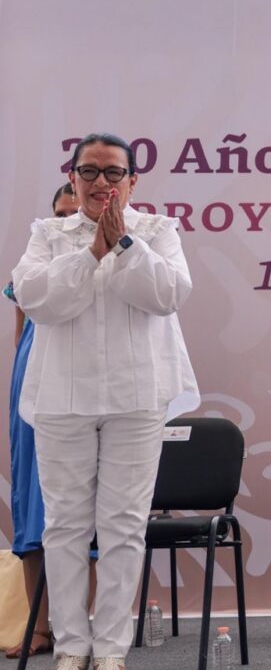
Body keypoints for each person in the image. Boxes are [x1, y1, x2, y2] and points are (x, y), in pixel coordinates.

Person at [12, 133, 200, 670]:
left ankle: (112, 648)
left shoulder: (158, 231)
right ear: (72, 177)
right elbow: (38, 300)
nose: (101, 183)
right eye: (89, 172)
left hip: (136, 397)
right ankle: (73, 645)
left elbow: (168, 295)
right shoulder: (48, 233)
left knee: (123, 524)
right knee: (65, 525)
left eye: (113, 173)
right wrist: (92, 251)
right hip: (62, 399)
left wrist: (123, 246)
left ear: (132, 181)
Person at [3, 184, 79, 659]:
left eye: (74, 213)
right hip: (33, 389)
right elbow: (22, 331)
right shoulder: (31, 265)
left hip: (86, 390)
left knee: (85, 517)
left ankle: (83, 630)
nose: (66, 220)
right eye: (59, 213)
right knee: (33, 507)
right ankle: (39, 628)